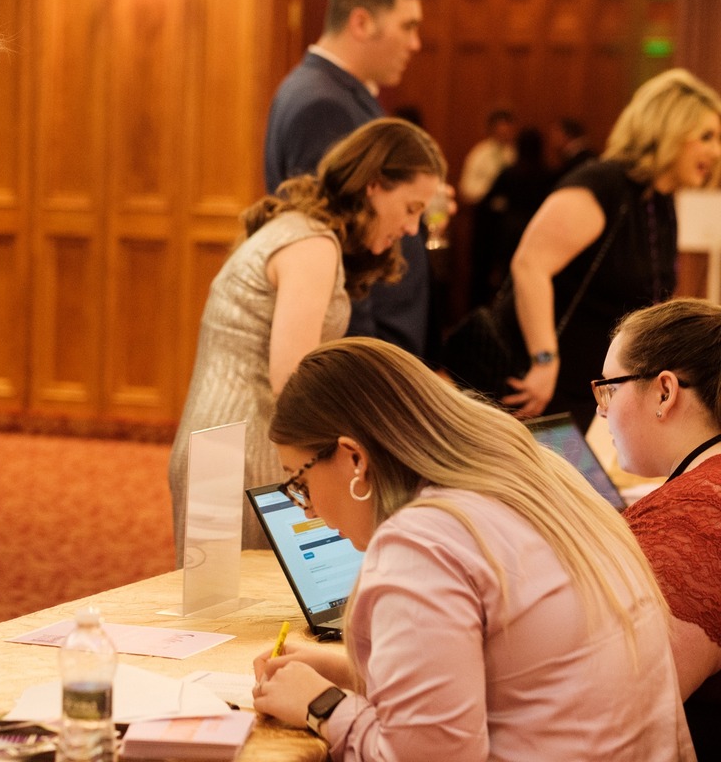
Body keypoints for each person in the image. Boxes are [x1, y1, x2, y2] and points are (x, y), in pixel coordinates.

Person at [251, 336, 694, 760]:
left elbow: (428, 759)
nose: (306, 509)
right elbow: (522, 681)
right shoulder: (537, 473)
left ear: (354, 458)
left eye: (300, 482)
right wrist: (354, 675)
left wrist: (321, 704)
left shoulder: (420, 542)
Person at [170, 118, 444, 565]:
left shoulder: (305, 231)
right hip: (243, 451)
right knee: (233, 611)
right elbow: (292, 379)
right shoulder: (313, 244)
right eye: (412, 207)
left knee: (234, 608)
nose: (413, 228)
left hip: (225, 443)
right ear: (375, 186)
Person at [507, 68, 721, 429]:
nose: (716, 151)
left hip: (593, 394)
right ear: (667, 130)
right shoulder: (605, 184)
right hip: (546, 392)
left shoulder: (658, 201)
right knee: (564, 484)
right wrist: (543, 360)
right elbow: (530, 264)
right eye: (706, 136)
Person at [262, 0, 431, 358]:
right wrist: (365, 361)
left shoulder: (334, 92)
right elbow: (339, 241)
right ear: (361, 22)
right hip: (368, 345)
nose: (415, 43)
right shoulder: (324, 104)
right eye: (407, 26)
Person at [597, 298, 721, 756]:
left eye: (609, 388)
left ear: (665, 392)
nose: (602, 411)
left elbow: (613, 715)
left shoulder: (690, 518)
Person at [468, 126, 553, 307]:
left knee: (509, 274)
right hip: (537, 228)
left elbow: (487, 200)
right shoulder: (549, 174)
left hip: (510, 229)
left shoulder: (510, 172)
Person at [457, 108, 517, 206]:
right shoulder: (479, 154)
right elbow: (466, 187)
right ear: (492, 129)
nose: (504, 133)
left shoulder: (516, 154)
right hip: (484, 209)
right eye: (500, 130)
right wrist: (489, 192)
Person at [549, 115, 595, 183]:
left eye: (555, 133)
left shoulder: (580, 160)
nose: (551, 138)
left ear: (567, 134)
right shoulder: (573, 156)